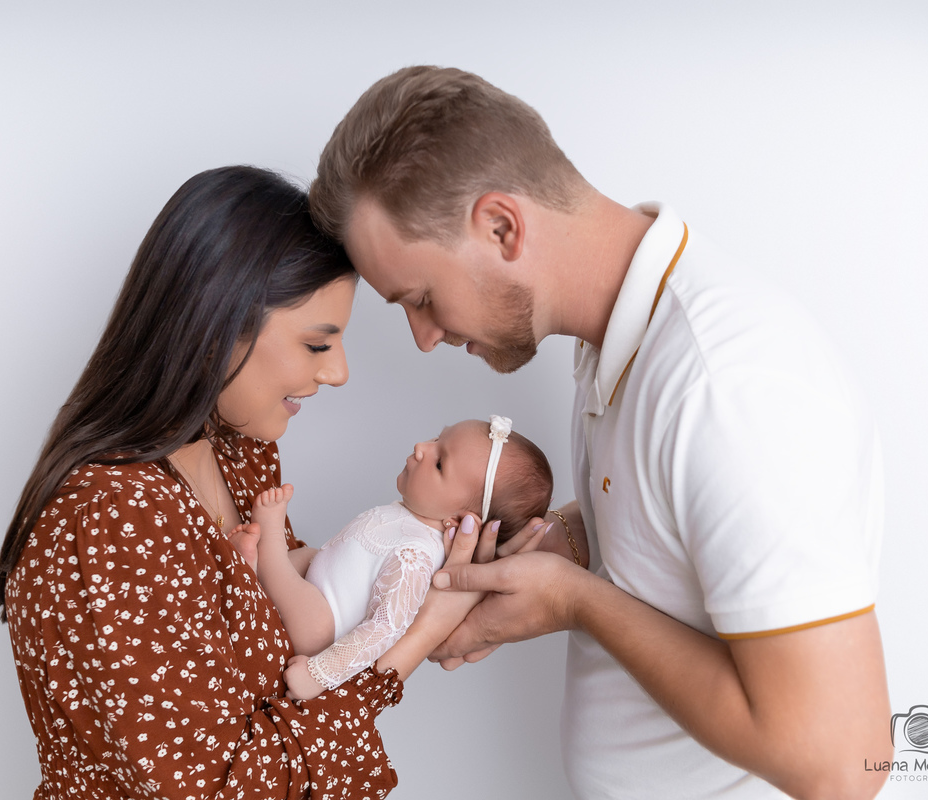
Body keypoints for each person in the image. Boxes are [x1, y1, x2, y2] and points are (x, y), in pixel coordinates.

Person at [309, 66, 894, 799]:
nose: (423, 338)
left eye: (421, 298)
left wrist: (573, 600)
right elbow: (678, 533)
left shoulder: (725, 386)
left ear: (501, 227)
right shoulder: (618, 342)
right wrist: (561, 548)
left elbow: (840, 762)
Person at [0, 165, 490, 800]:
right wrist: (409, 646)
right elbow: (227, 787)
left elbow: (297, 639)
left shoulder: (238, 453)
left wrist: (435, 584)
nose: (340, 373)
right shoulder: (115, 519)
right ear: (217, 328)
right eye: (315, 345)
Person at [248, 416, 571, 701]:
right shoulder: (409, 517)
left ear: (461, 519)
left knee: (296, 578)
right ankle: (257, 570)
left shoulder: (416, 555)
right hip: (316, 588)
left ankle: (268, 548)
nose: (421, 448)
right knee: (309, 556)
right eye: (435, 439)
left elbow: (386, 627)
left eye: (440, 463)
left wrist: (318, 674)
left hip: (317, 628)